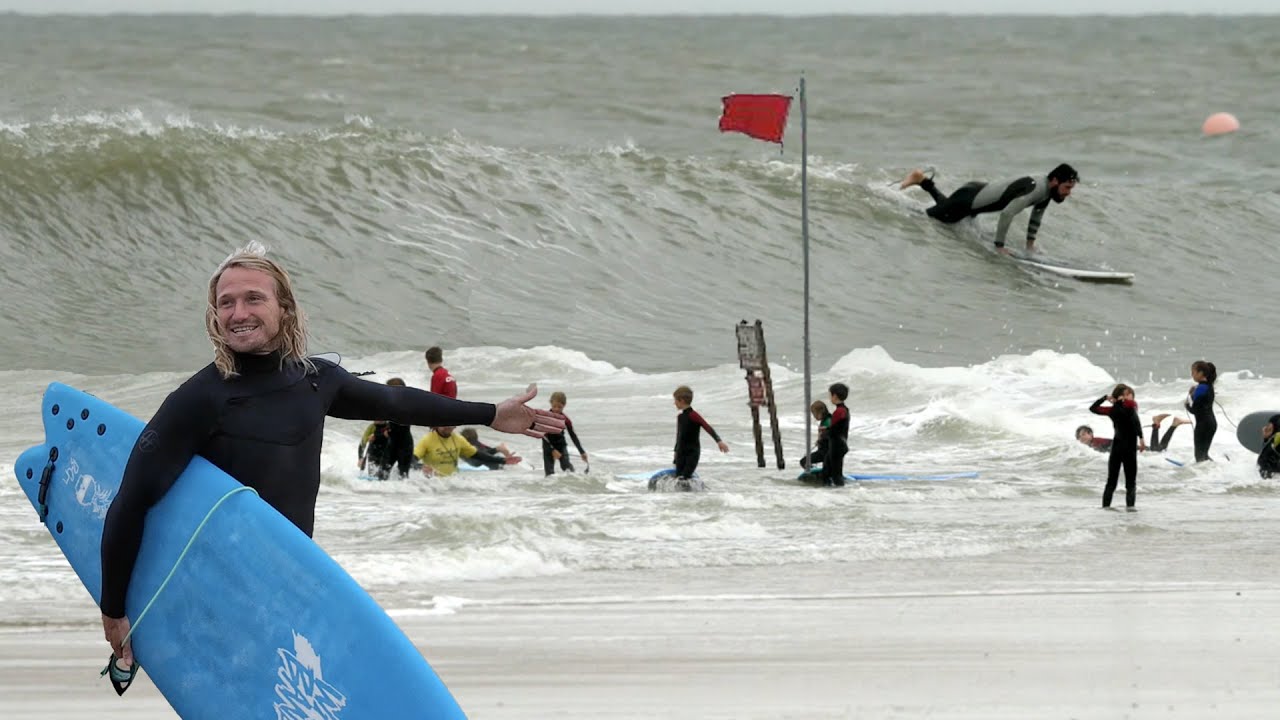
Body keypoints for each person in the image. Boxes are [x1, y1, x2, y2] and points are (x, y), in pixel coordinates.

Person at [99, 242, 564, 678]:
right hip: (219, 589)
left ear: (284, 307)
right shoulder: (199, 399)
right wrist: (114, 611)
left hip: (289, 581)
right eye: (226, 303)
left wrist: (490, 414)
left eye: (253, 299)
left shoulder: (316, 381)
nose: (238, 313)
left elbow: (396, 403)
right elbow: (132, 500)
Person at [899, 163, 1079, 254]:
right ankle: (894, 200)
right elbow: (1007, 213)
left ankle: (921, 179)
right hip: (968, 200)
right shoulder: (1037, 188)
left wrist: (1030, 246)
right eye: (1067, 187)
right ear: (1055, 181)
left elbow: (1036, 217)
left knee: (947, 210)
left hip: (972, 194)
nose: (1068, 193)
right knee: (925, 216)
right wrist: (999, 246)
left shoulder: (1047, 190)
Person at [661, 385, 729, 491]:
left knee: (684, 479)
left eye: (675, 400)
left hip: (692, 453)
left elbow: (707, 426)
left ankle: (697, 495)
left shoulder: (694, 415)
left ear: (682, 400)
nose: (674, 403)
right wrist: (675, 452)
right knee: (679, 480)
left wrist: (718, 441)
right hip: (681, 453)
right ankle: (683, 499)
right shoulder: (680, 417)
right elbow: (679, 436)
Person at [1089, 384, 1146, 510]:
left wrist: (1141, 438)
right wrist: (1105, 398)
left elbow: (1134, 420)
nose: (1128, 396)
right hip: (1122, 449)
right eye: (1125, 394)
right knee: (1118, 483)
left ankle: (1123, 510)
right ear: (1119, 396)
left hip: (1122, 448)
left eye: (1129, 394)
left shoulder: (1128, 407)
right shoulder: (1117, 409)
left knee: (1125, 483)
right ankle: (1109, 510)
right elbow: (1093, 408)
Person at [356, 378, 416, 480]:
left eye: (388, 390)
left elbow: (393, 431)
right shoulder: (394, 405)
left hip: (404, 446)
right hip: (394, 444)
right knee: (383, 476)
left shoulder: (404, 406)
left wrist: (377, 435)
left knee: (402, 477)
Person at [1077, 413, 1188, 454]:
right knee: (1159, 450)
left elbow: (1112, 446)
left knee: (1157, 451)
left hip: (1129, 448)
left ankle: (1157, 424)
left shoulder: (1095, 442)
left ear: (1091, 434)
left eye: (1083, 434)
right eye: (1079, 436)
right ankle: (1173, 424)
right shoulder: (1092, 444)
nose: (1081, 438)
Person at [541, 391, 588, 477]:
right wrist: (552, 450)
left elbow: (573, 436)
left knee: (567, 469)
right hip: (548, 447)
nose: (556, 409)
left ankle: (575, 479)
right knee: (549, 474)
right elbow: (543, 435)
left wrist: (582, 452)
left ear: (564, 405)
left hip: (561, 446)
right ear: (551, 403)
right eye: (554, 406)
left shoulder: (566, 420)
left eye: (560, 407)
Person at [1184, 360, 1218, 462]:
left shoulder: (1200, 388)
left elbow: (1195, 410)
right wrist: (1192, 395)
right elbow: (1202, 405)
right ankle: (1214, 469)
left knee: (1199, 456)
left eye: (1193, 372)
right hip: (1211, 423)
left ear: (1201, 373)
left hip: (1203, 425)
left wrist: (1187, 405)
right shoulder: (1209, 386)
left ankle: (1206, 472)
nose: (1192, 375)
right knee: (1204, 455)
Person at [413, 425, 478, 476]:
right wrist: (422, 467)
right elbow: (410, 461)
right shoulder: (427, 440)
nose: (448, 426)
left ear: (455, 426)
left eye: (450, 423)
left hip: (453, 482)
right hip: (432, 483)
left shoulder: (459, 439)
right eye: (444, 423)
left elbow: (477, 455)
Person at [823, 384, 850, 488]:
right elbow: (839, 427)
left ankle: (841, 493)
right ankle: (831, 493)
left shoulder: (839, 411)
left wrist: (825, 431)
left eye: (830, 395)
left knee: (836, 475)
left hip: (837, 446)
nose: (830, 398)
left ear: (834, 396)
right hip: (839, 444)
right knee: (827, 471)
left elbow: (834, 430)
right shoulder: (844, 410)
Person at [799, 400, 831, 470]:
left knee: (803, 461)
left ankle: (812, 473)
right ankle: (815, 473)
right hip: (826, 452)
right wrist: (819, 441)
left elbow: (831, 434)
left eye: (814, 414)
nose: (814, 416)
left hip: (825, 452)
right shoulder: (827, 419)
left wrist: (821, 439)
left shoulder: (828, 421)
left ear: (820, 412)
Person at [1256, 414, 1280, 479]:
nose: (1266, 427)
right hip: (1271, 473)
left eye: (1269, 425)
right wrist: (1266, 438)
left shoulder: (1276, 437)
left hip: (1267, 473)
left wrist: (1266, 438)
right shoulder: (1276, 437)